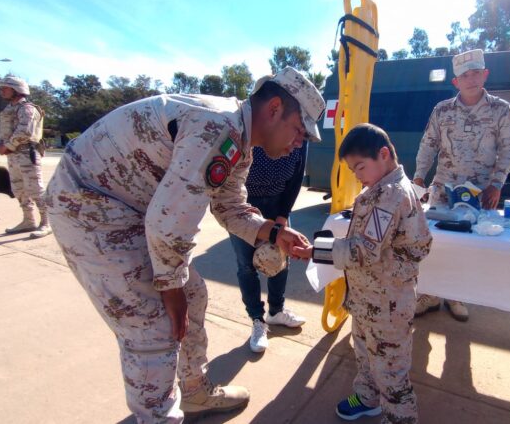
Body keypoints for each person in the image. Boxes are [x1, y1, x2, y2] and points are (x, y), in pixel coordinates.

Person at [45, 67, 324, 423]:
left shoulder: (240, 139)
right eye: (299, 130)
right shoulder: (217, 125)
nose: (299, 142)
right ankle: (158, 417)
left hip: (132, 211)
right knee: (152, 328)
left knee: (193, 294)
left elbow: (228, 206)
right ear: (273, 109)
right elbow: (169, 223)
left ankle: (192, 392)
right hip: (88, 207)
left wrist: (273, 232)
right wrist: (169, 285)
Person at [295, 124, 432, 424]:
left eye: (360, 167)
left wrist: (316, 251)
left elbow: (364, 251)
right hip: (369, 298)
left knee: (390, 371)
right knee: (367, 355)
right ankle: (368, 397)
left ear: (383, 154)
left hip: (388, 305)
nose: (357, 175)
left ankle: (399, 418)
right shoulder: (379, 189)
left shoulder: (392, 194)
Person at [413, 49, 510, 322]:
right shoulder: (442, 111)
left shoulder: (500, 110)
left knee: (468, 246)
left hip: (479, 194)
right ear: (455, 82)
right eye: (464, 75)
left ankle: (457, 295)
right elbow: (428, 145)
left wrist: (497, 184)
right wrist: (419, 177)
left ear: (485, 75)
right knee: (435, 244)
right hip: (442, 192)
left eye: (475, 73)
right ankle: (430, 294)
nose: (471, 79)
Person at [229, 139, 308, 353]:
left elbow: (297, 177)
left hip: (278, 201)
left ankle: (276, 311)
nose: (298, 138)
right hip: (243, 204)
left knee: (281, 261)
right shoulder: (250, 132)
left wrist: (283, 216)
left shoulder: (301, 136)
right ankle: (257, 320)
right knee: (246, 265)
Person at [0, 76, 51, 239]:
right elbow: (1, 131)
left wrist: (6, 146)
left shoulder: (27, 109)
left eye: (5, 88)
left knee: (35, 189)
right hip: (12, 156)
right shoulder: (7, 111)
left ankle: (46, 222)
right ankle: (28, 220)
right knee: (19, 189)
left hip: (27, 153)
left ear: (16, 90)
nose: (2, 91)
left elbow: (25, 132)